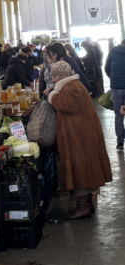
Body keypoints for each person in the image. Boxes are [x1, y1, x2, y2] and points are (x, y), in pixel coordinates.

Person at [43, 61, 112, 219]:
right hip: (81, 133)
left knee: (80, 168)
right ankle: (86, 204)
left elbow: (63, 104)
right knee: (84, 168)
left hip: (79, 136)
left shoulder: (72, 87)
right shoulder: (73, 85)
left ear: (62, 76)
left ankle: (82, 207)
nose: (52, 78)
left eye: (54, 75)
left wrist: (51, 94)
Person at [105, 41, 125, 149]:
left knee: (118, 115)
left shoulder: (113, 51)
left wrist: (114, 79)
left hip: (116, 87)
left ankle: (120, 142)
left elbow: (107, 68)